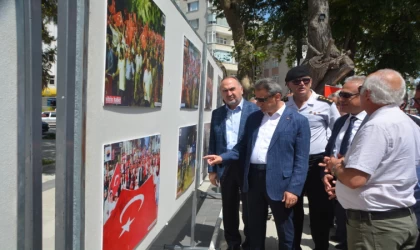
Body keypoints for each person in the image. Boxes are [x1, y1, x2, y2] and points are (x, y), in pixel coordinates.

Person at [205, 78, 310, 250]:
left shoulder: (298, 121)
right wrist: (223, 158)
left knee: (286, 232)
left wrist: (294, 189)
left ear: (277, 97)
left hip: (281, 183)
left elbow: (301, 160)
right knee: (254, 229)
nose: (257, 103)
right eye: (257, 98)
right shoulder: (255, 118)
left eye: (262, 99)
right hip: (253, 180)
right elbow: (242, 147)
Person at [323, 69, 420, 250]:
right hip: (400, 220)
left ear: (367, 94)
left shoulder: (377, 125)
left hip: (376, 226)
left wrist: (336, 166)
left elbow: (355, 179)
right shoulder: (408, 122)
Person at [284, 65, 340, 250]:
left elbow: (336, 133)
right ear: (288, 85)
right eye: (296, 81)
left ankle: (321, 246)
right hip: (292, 163)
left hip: (317, 162)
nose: (301, 84)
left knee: (320, 210)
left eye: (305, 80)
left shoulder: (326, 104)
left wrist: (331, 161)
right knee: (293, 208)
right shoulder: (285, 105)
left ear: (311, 82)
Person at [207, 76, 259, 250]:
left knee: (249, 208)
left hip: (248, 167)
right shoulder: (217, 113)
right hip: (225, 167)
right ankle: (233, 244)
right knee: (229, 208)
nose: (229, 93)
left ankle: (250, 242)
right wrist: (212, 169)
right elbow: (213, 141)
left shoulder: (255, 111)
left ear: (241, 90)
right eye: (225, 90)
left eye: (232, 89)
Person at [321, 76, 367, 250]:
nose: (341, 99)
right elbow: (330, 151)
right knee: (343, 232)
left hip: (360, 191)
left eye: (347, 95)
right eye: (341, 94)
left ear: (364, 95)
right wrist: (326, 173)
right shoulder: (341, 121)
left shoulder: (374, 123)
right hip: (336, 185)